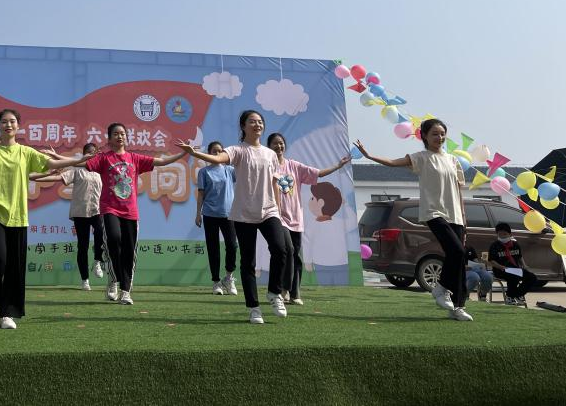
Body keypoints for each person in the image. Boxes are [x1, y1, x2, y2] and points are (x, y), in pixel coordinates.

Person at [0, 110, 87, 330]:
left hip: (18, 217)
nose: (8, 125)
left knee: (14, 267)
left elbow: (49, 163)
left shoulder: (25, 152)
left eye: (12, 121)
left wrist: (80, 160)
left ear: (18, 126)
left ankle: (7, 313)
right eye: (4, 122)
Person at [53, 123, 187, 305]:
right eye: (116, 134)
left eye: (123, 133)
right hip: (110, 209)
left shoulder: (134, 158)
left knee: (129, 251)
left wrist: (184, 153)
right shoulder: (104, 158)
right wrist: (58, 157)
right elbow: (81, 163)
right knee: (114, 240)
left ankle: (125, 291)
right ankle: (114, 279)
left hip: (130, 212)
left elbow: (161, 162)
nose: (120, 136)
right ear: (109, 138)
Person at [355, 118, 473, 322]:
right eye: (434, 134)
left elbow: (458, 191)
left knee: (459, 258)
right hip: (434, 212)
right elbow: (393, 162)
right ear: (424, 136)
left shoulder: (453, 160)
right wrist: (369, 155)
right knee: (457, 251)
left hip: (455, 215)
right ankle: (441, 288)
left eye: (442, 134)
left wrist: (464, 217)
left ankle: (458, 307)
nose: (439, 137)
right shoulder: (421, 158)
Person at [179, 110, 290, 325]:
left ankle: (274, 293)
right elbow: (217, 158)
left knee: (281, 249)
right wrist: (195, 154)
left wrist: (278, 209)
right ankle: (254, 308)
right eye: (252, 121)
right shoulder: (237, 150)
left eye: (260, 122)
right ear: (243, 126)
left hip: (269, 211)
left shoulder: (270, 154)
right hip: (243, 213)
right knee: (248, 262)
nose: (257, 125)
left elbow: (275, 184)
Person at [267, 132, 350, 305]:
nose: (279, 146)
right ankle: (283, 290)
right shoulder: (267, 167)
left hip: (296, 218)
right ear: (269, 147)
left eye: (281, 143)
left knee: (295, 255)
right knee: (287, 250)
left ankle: (295, 293)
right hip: (277, 216)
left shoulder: (294, 166)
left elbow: (318, 174)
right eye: (275, 143)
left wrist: (338, 166)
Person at [34, 142, 105, 290]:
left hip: (96, 210)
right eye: (89, 152)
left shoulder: (100, 170)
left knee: (100, 232)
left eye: (95, 152)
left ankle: (97, 261)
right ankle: (85, 279)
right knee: (83, 246)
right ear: (84, 155)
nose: (92, 155)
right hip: (80, 213)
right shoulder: (77, 170)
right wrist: (35, 178)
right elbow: (58, 178)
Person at [195, 140, 238, 296]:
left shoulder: (230, 170)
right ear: (209, 153)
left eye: (220, 151)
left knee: (232, 246)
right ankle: (216, 282)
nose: (218, 153)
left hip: (229, 214)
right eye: (214, 151)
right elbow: (201, 194)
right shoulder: (204, 172)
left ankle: (229, 277)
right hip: (209, 214)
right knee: (213, 249)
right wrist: (198, 213)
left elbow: (245, 175)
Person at [488, 222, 538, 305]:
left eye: (505, 234)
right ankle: (510, 297)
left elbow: (520, 257)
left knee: (532, 277)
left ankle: (518, 294)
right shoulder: (494, 246)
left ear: (510, 234)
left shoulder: (515, 244)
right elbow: (491, 261)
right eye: (500, 234)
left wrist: (524, 265)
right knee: (514, 276)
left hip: (515, 269)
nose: (502, 236)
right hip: (500, 270)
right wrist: (501, 267)